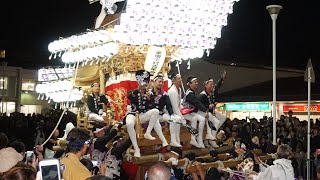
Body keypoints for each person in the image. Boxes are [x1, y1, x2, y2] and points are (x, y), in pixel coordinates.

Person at [125, 70, 168, 158]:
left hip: (142, 116)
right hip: (133, 115)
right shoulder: (133, 92)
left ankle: (148, 133)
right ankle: (136, 148)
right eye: (144, 82)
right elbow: (129, 97)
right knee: (129, 123)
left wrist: (149, 99)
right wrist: (138, 89)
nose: (145, 84)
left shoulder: (148, 93)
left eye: (146, 82)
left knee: (155, 112)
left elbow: (151, 106)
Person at [151, 74, 182, 147]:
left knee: (174, 119)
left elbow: (169, 105)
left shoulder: (164, 94)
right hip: (151, 115)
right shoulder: (149, 93)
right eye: (159, 82)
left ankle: (173, 140)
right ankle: (163, 141)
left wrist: (172, 114)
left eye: (162, 82)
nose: (161, 83)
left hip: (161, 114)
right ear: (154, 82)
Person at [198, 71, 227, 147]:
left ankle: (212, 133)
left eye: (212, 84)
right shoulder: (202, 95)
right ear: (206, 85)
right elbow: (198, 105)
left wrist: (222, 78)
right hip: (204, 113)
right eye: (210, 84)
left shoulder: (213, 91)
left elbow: (218, 85)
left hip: (212, 112)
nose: (212, 86)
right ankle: (212, 140)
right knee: (216, 122)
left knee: (223, 117)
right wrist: (208, 107)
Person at [181, 76, 206, 148]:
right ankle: (196, 139)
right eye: (195, 82)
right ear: (189, 84)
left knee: (202, 119)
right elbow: (197, 103)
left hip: (189, 112)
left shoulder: (191, 92)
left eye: (197, 82)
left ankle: (197, 139)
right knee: (199, 118)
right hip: (184, 112)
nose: (197, 83)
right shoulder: (190, 94)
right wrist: (205, 110)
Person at [168, 74, 186, 148]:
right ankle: (175, 141)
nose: (180, 80)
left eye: (180, 78)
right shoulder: (172, 91)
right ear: (174, 80)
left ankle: (178, 140)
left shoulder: (180, 89)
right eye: (179, 79)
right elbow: (175, 107)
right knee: (178, 119)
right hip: (170, 111)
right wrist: (182, 118)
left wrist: (184, 110)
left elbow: (179, 105)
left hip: (177, 111)